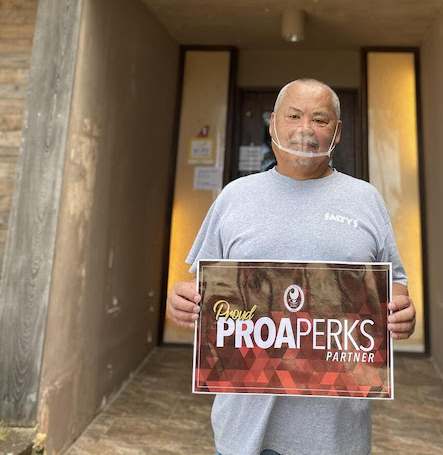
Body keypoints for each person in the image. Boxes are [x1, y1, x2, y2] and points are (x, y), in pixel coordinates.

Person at [167, 78, 416, 455]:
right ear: (272, 124)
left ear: (337, 132)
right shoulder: (235, 197)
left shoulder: (367, 200)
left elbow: (394, 286)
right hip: (244, 434)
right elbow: (200, 290)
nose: (305, 129)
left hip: (338, 436)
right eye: (294, 115)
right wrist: (181, 304)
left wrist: (401, 311)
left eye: (320, 119)